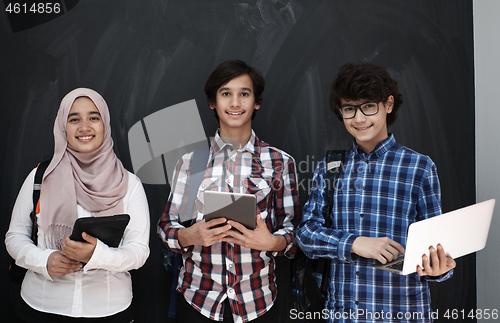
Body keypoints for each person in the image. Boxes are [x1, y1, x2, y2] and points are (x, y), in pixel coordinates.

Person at [296, 63, 456, 322]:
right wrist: (356, 244)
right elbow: (306, 234)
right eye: (349, 109)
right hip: (343, 315)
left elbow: (437, 248)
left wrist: (439, 268)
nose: (359, 119)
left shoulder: (420, 167)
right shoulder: (329, 168)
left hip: (403, 313)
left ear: (388, 104)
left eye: (368, 106)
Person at [157, 60, 300, 323]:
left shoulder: (280, 162)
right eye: (226, 94)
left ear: (256, 102)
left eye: (244, 94)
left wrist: (273, 243)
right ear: (213, 102)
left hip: (257, 302)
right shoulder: (191, 162)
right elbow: (166, 228)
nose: (235, 103)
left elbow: (292, 233)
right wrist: (190, 235)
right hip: (199, 300)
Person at [5, 88, 150, 322]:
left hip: (109, 309)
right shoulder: (40, 177)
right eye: (74, 119)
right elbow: (15, 237)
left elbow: (139, 252)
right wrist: (45, 261)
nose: (84, 127)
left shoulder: (129, 184)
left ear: (105, 124)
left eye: (94, 117)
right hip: (42, 306)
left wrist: (97, 255)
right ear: (63, 126)